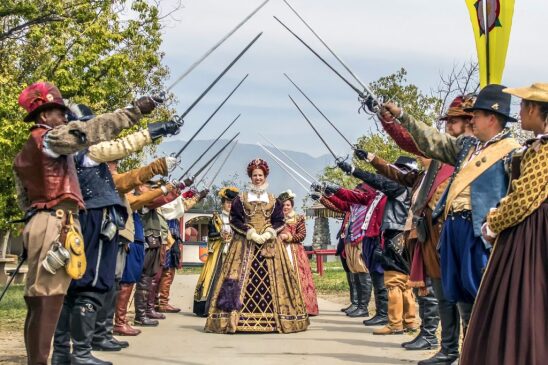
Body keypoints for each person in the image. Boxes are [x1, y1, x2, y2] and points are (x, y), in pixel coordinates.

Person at [13, 82, 159, 365]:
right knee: (48, 296)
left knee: (51, 295)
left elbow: (24, 198)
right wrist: (135, 111)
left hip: (44, 219)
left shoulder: (28, 150)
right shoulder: (51, 140)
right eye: (59, 112)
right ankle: (46, 360)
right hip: (55, 220)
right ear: (44, 116)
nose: (65, 118)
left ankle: (57, 356)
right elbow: (92, 131)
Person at [382, 84, 520, 349]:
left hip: (479, 231)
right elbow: (431, 140)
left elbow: (516, 194)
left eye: (475, 116)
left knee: (480, 296)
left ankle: (485, 352)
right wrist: (401, 115)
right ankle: (466, 352)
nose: (472, 120)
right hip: (453, 228)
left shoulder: (510, 151)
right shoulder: (467, 147)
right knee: (458, 296)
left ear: (491, 118)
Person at [373, 95, 475, 363]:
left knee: (464, 295)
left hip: (459, 228)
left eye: (453, 121)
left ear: (469, 121)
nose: (447, 127)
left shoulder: (474, 152)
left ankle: (469, 351)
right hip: (432, 230)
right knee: (441, 291)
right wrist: (389, 120)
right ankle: (448, 349)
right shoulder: (448, 152)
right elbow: (412, 141)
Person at [460, 83, 548, 365]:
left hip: (534, 233)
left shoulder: (545, 150)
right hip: (530, 229)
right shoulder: (537, 145)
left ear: (534, 109)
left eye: (522, 107)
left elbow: (524, 197)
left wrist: (493, 222)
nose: (519, 112)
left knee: (526, 299)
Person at [205, 159, 309, 333]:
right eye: (255, 175)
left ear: (265, 176)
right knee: (236, 278)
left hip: (270, 244)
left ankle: (278, 319)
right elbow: (234, 220)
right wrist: (249, 232)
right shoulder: (241, 198)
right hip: (244, 244)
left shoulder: (273, 199)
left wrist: (270, 232)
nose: (258, 178)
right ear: (250, 177)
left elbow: (279, 220)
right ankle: (233, 320)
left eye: (260, 175)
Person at [337, 156, 417, 335]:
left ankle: (395, 323)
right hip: (401, 234)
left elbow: (377, 180)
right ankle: (409, 321)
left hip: (394, 235)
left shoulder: (400, 187)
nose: (391, 174)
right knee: (404, 281)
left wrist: (353, 170)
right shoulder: (408, 187)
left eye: (396, 170)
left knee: (394, 280)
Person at [110, 158, 174, 337]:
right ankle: (119, 321)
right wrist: (165, 190)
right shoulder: (133, 197)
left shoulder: (135, 197)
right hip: (133, 240)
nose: (149, 188)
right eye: (147, 184)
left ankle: (122, 320)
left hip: (138, 239)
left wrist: (175, 189)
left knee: (136, 280)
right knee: (126, 280)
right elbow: (149, 200)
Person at [315, 184, 384, 319]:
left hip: (361, 239)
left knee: (362, 271)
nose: (355, 194)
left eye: (358, 192)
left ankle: (363, 306)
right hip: (351, 239)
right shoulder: (354, 206)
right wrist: (326, 196)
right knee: (355, 272)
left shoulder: (367, 204)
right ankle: (358, 305)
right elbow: (340, 204)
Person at [156, 189, 208, 313]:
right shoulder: (166, 206)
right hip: (167, 238)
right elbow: (183, 206)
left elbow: (182, 205)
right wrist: (197, 197)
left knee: (166, 271)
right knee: (165, 271)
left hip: (170, 238)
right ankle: (161, 302)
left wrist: (197, 197)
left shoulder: (168, 205)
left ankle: (158, 302)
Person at [193, 187, 239, 317]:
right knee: (214, 278)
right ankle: (209, 307)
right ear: (223, 203)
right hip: (219, 252)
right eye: (227, 202)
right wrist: (220, 235)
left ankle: (229, 307)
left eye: (232, 203)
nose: (229, 205)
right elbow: (211, 234)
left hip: (233, 252)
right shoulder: (216, 217)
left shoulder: (238, 219)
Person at [278, 190, 319, 316]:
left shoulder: (298, 218)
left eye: (288, 205)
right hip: (279, 249)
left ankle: (303, 306)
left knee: (299, 277)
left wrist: (289, 237)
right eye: (283, 205)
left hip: (295, 251)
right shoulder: (276, 219)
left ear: (292, 205)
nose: (285, 207)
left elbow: (302, 235)